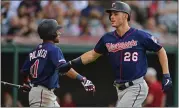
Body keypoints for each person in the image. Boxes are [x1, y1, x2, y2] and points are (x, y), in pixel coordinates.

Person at [58, 1, 172, 107]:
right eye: (111, 14)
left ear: (126, 16)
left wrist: (166, 74)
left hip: (136, 86)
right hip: (120, 89)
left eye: (116, 14)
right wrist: (71, 63)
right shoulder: (107, 38)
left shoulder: (140, 35)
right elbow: (93, 55)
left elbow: (160, 50)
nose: (112, 17)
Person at [20, 19, 95, 107]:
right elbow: (64, 68)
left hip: (41, 94)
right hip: (43, 95)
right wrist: (82, 78)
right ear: (51, 33)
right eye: (57, 31)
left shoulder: (33, 51)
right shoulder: (53, 49)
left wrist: (27, 83)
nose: (59, 33)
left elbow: (24, 72)